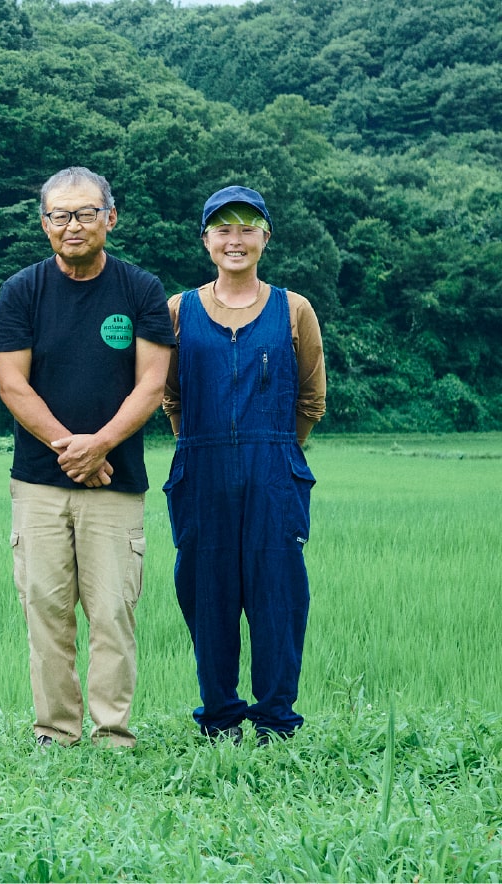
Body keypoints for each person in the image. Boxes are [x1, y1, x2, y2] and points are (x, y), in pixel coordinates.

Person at [0, 167, 174, 748]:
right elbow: (12, 384)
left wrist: (100, 446)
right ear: (44, 223)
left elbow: (151, 384)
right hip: (39, 483)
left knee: (113, 612)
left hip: (117, 481)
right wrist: (73, 449)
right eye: (61, 215)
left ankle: (112, 732)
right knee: (46, 610)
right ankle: (56, 730)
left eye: (86, 213)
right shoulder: (23, 290)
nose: (74, 225)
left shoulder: (140, 289)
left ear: (109, 218)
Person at [163, 185, 326, 744]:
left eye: (247, 228)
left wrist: (276, 449)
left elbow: (311, 400)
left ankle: (276, 719)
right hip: (199, 471)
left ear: (265, 237)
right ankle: (221, 716)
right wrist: (198, 446)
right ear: (206, 239)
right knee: (206, 593)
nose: (236, 240)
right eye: (223, 229)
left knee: (278, 593)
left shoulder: (294, 309)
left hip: (275, 471)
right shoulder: (179, 310)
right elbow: (170, 395)